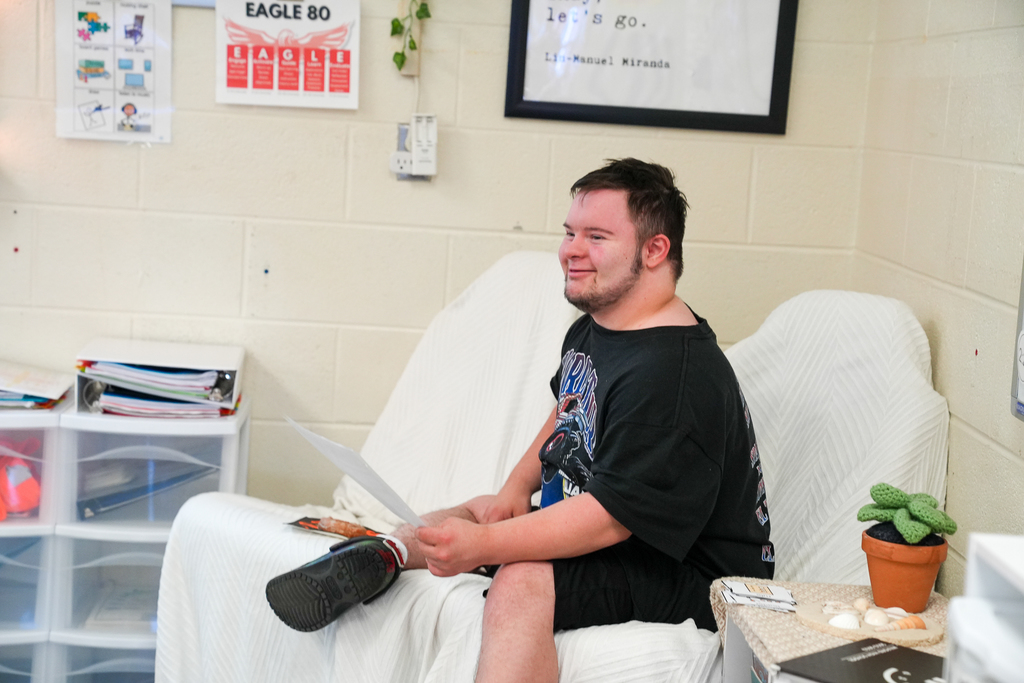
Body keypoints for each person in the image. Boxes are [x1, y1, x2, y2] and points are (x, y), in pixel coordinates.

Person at [266, 158, 774, 683]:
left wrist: (487, 550)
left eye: (596, 237)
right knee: (475, 512)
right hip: (621, 530)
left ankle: (416, 552)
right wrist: (515, 487)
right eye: (570, 232)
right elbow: (570, 410)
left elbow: (609, 518)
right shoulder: (602, 324)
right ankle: (387, 552)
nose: (571, 250)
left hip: (698, 576)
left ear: (654, 250)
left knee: (520, 578)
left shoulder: (673, 375)